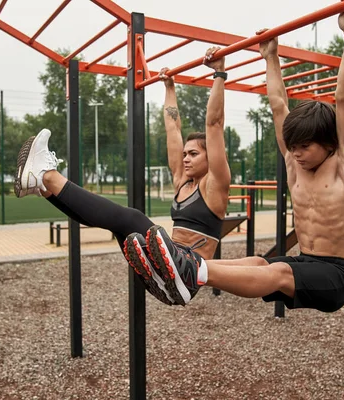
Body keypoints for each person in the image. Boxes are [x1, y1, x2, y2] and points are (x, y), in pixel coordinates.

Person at [128, 5, 344, 311]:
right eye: (292, 146)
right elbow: (279, 105)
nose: (294, 153)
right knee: (257, 261)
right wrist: (270, 57)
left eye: (305, 146)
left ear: (328, 142)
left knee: (277, 272)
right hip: (306, 260)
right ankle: (187, 273)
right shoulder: (295, 165)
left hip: (337, 276)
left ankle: (188, 269)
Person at [14, 47, 231, 306]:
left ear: (211, 158)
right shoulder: (182, 181)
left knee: (132, 217)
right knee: (119, 225)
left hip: (188, 274)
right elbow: (172, 127)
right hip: (165, 272)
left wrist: (219, 72)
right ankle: (44, 186)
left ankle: (48, 176)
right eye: (185, 153)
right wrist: (169, 87)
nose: (185, 158)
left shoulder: (215, 185)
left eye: (193, 154)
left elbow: (214, 124)